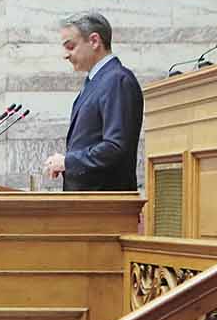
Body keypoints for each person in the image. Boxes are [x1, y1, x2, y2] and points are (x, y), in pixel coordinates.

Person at [45, 11, 144, 192]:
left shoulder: (117, 80)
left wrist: (68, 162)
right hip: (89, 202)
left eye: (70, 46)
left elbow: (115, 147)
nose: (65, 55)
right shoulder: (97, 81)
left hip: (106, 202)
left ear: (94, 41)